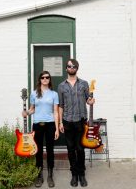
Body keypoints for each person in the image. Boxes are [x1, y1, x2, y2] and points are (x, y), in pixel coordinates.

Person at [58, 59, 95, 187]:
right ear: (66, 68)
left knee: (80, 148)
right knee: (70, 149)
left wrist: (91, 101)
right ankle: (74, 174)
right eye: (69, 66)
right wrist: (60, 123)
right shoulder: (61, 86)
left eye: (73, 66)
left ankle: (81, 174)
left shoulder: (84, 84)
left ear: (77, 68)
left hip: (80, 120)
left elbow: (87, 101)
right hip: (67, 121)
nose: (71, 68)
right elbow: (61, 106)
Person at [22, 71, 59, 188]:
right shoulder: (34, 94)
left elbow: (56, 112)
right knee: (37, 150)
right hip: (37, 125)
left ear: (49, 80)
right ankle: (39, 175)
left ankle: (50, 175)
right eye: (43, 77)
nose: (45, 79)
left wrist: (57, 129)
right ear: (40, 79)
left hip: (50, 125)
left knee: (50, 150)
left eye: (47, 77)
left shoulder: (54, 94)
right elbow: (32, 109)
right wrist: (27, 112)